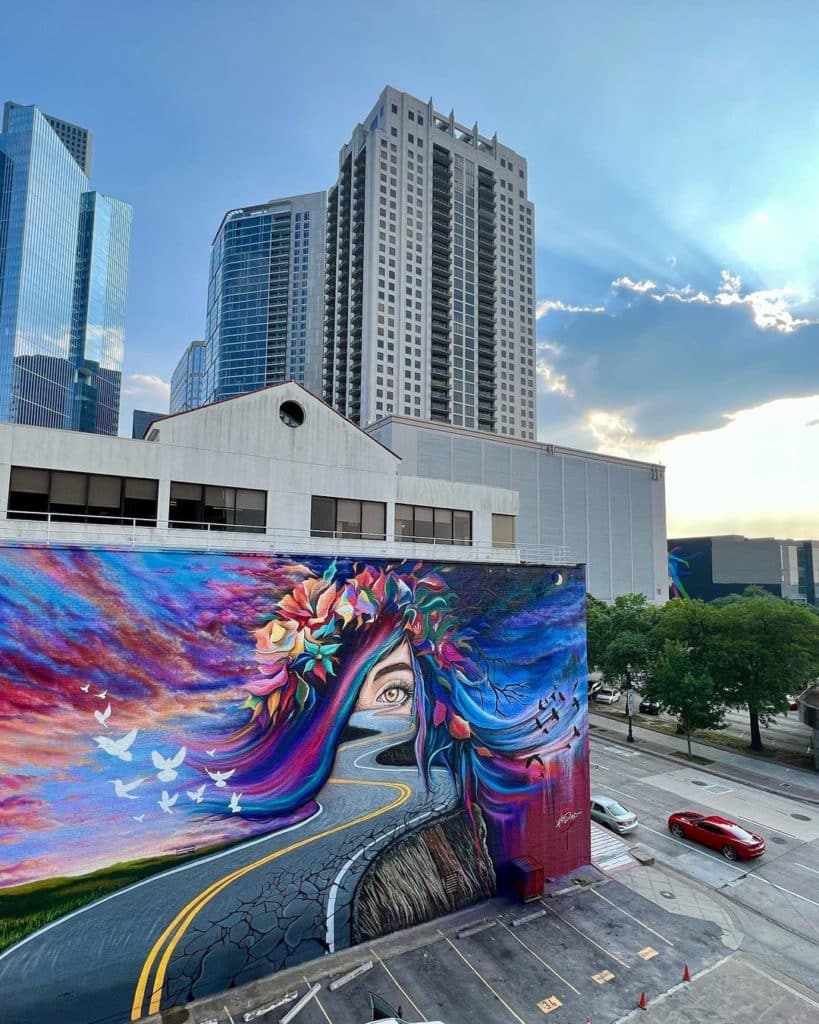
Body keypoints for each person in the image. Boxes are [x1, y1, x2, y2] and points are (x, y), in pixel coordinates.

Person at [201, 558, 586, 865]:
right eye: (391, 692)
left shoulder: (451, 810)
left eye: (402, 691)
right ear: (328, 716)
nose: (410, 715)